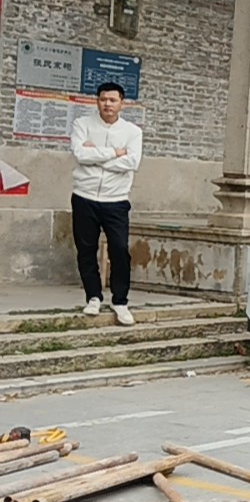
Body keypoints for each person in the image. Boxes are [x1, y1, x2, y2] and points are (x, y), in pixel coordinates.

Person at [70, 81, 143, 326]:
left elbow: (132, 163)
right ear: (97, 101)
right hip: (84, 197)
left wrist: (96, 156)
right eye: (103, 99)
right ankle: (93, 296)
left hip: (116, 200)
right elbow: (80, 155)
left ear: (122, 103)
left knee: (120, 249)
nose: (107, 104)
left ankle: (120, 301)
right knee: (86, 249)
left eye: (112, 100)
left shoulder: (133, 132)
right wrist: (114, 153)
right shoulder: (82, 125)